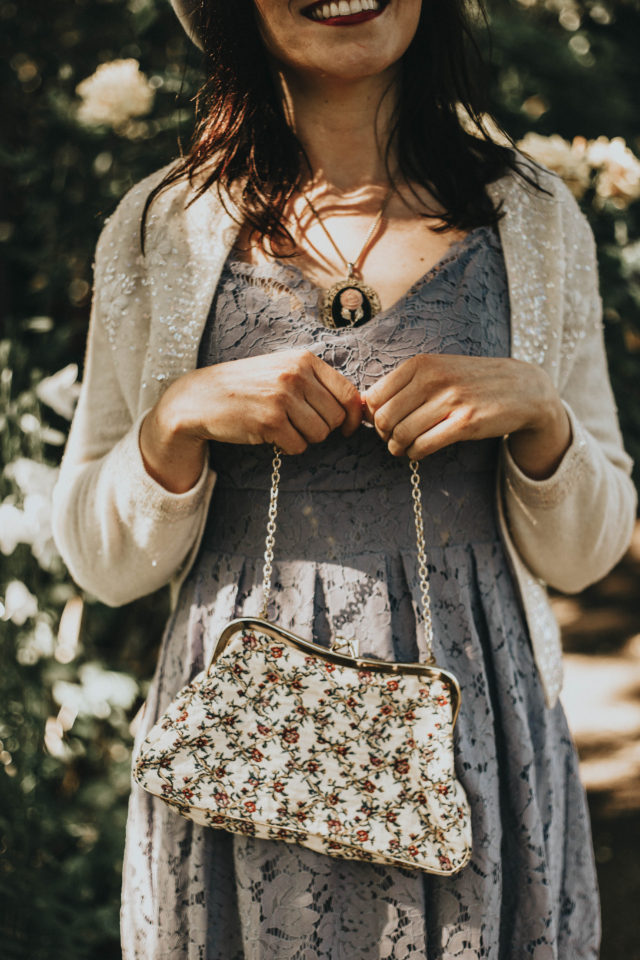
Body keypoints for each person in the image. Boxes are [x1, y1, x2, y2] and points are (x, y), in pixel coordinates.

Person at [51, 0, 637, 957]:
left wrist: (540, 415)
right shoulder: (163, 225)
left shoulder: (531, 218)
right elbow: (100, 559)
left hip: (475, 733)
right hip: (242, 749)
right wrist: (175, 421)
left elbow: (588, 552)